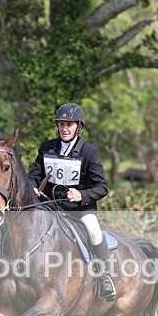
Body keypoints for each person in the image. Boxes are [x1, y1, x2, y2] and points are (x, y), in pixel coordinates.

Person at [27, 103, 116, 301]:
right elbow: (33, 175)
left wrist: (81, 195)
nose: (64, 129)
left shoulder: (89, 152)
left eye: (69, 125)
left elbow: (102, 187)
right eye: (61, 124)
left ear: (79, 127)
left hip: (80, 209)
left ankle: (104, 278)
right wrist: (32, 186)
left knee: (94, 230)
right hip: (50, 206)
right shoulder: (46, 147)